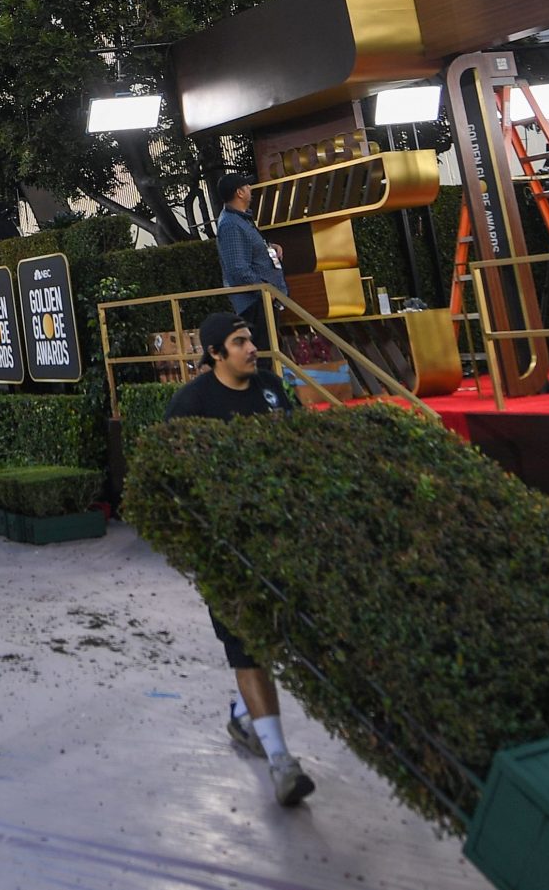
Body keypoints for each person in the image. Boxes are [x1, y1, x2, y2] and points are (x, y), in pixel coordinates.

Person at [165, 311, 315, 809]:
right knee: (247, 647)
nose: (252, 348)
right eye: (240, 342)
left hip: (279, 541)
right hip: (226, 551)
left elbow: (302, 447)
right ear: (214, 354)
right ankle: (281, 761)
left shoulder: (272, 389)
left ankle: (245, 716)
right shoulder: (191, 405)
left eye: (250, 340)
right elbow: (172, 480)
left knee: (276, 639)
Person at [213, 175, 287, 335]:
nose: (250, 189)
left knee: (270, 350)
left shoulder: (241, 218)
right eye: (247, 186)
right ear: (239, 192)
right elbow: (237, 268)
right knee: (265, 353)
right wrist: (265, 290)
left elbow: (247, 251)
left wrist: (268, 246)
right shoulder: (231, 224)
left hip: (262, 300)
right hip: (255, 303)